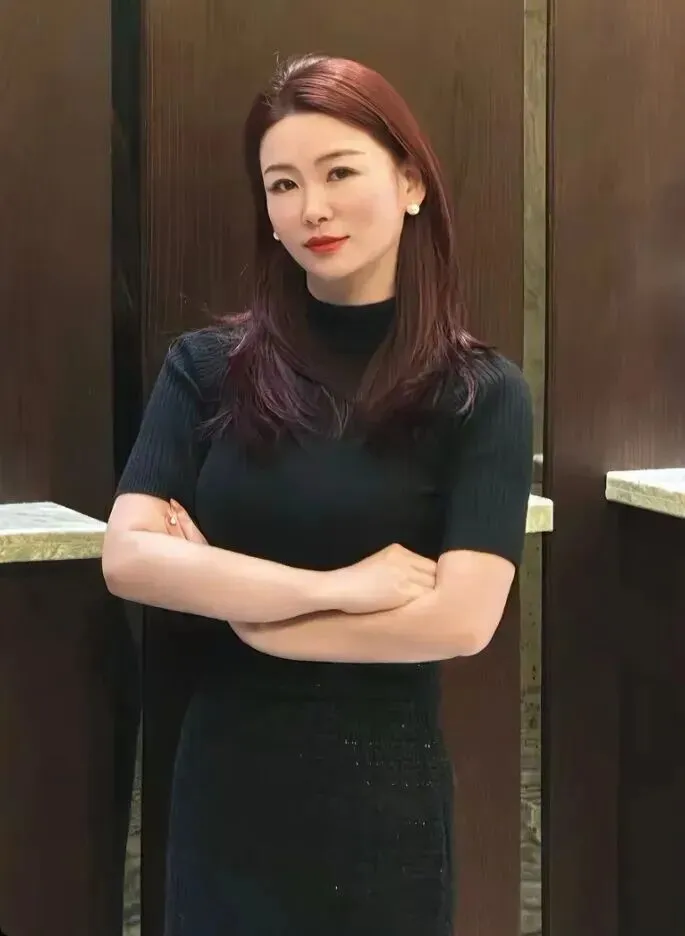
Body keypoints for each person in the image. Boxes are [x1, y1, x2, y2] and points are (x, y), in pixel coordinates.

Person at [102, 53, 533, 936]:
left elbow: (461, 620)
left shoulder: (479, 391)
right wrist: (337, 588)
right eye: (283, 184)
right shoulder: (205, 368)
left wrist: (251, 615)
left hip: (383, 794)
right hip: (228, 781)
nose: (312, 209)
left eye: (339, 173)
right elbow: (129, 558)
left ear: (410, 182)